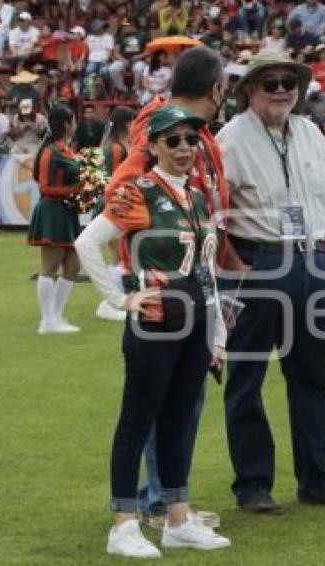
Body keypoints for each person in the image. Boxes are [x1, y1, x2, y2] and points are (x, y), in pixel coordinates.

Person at [75, 105, 231, 558]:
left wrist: (217, 330)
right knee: (137, 421)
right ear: (154, 147)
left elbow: (206, 271)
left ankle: (177, 518)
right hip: (156, 324)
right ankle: (123, 523)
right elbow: (88, 242)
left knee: (179, 421)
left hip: (196, 320)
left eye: (191, 140)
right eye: (173, 140)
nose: (185, 148)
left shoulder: (198, 197)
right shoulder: (138, 191)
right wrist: (119, 297)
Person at [216, 50, 325, 512]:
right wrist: (238, 268)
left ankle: (316, 479)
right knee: (247, 377)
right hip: (260, 263)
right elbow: (215, 215)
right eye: (269, 83)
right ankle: (254, 485)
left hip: (311, 263)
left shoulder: (312, 132)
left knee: (313, 377)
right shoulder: (229, 139)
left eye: (288, 83)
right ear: (248, 90)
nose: (280, 90)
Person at [105, 45, 229, 530]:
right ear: (216, 89)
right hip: (167, 291)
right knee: (163, 403)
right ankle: (160, 504)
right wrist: (136, 278)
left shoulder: (192, 130)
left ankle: (169, 503)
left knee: (184, 396)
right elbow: (127, 188)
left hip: (197, 285)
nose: (184, 147)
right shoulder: (161, 122)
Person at [26, 104, 83, 335]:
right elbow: (45, 187)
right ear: (67, 124)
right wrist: (76, 189)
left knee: (73, 265)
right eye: (74, 120)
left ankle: (57, 317)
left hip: (67, 211)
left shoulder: (66, 149)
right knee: (49, 267)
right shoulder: (51, 151)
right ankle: (47, 321)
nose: (76, 124)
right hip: (53, 211)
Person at [94, 106, 138, 323]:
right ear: (126, 124)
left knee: (118, 255)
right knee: (121, 255)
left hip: (109, 203)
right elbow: (117, 180)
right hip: (115, 205)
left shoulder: (108, 147)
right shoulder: (118, 150)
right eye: (133, 122)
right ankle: (109, 303)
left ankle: (112, 301)